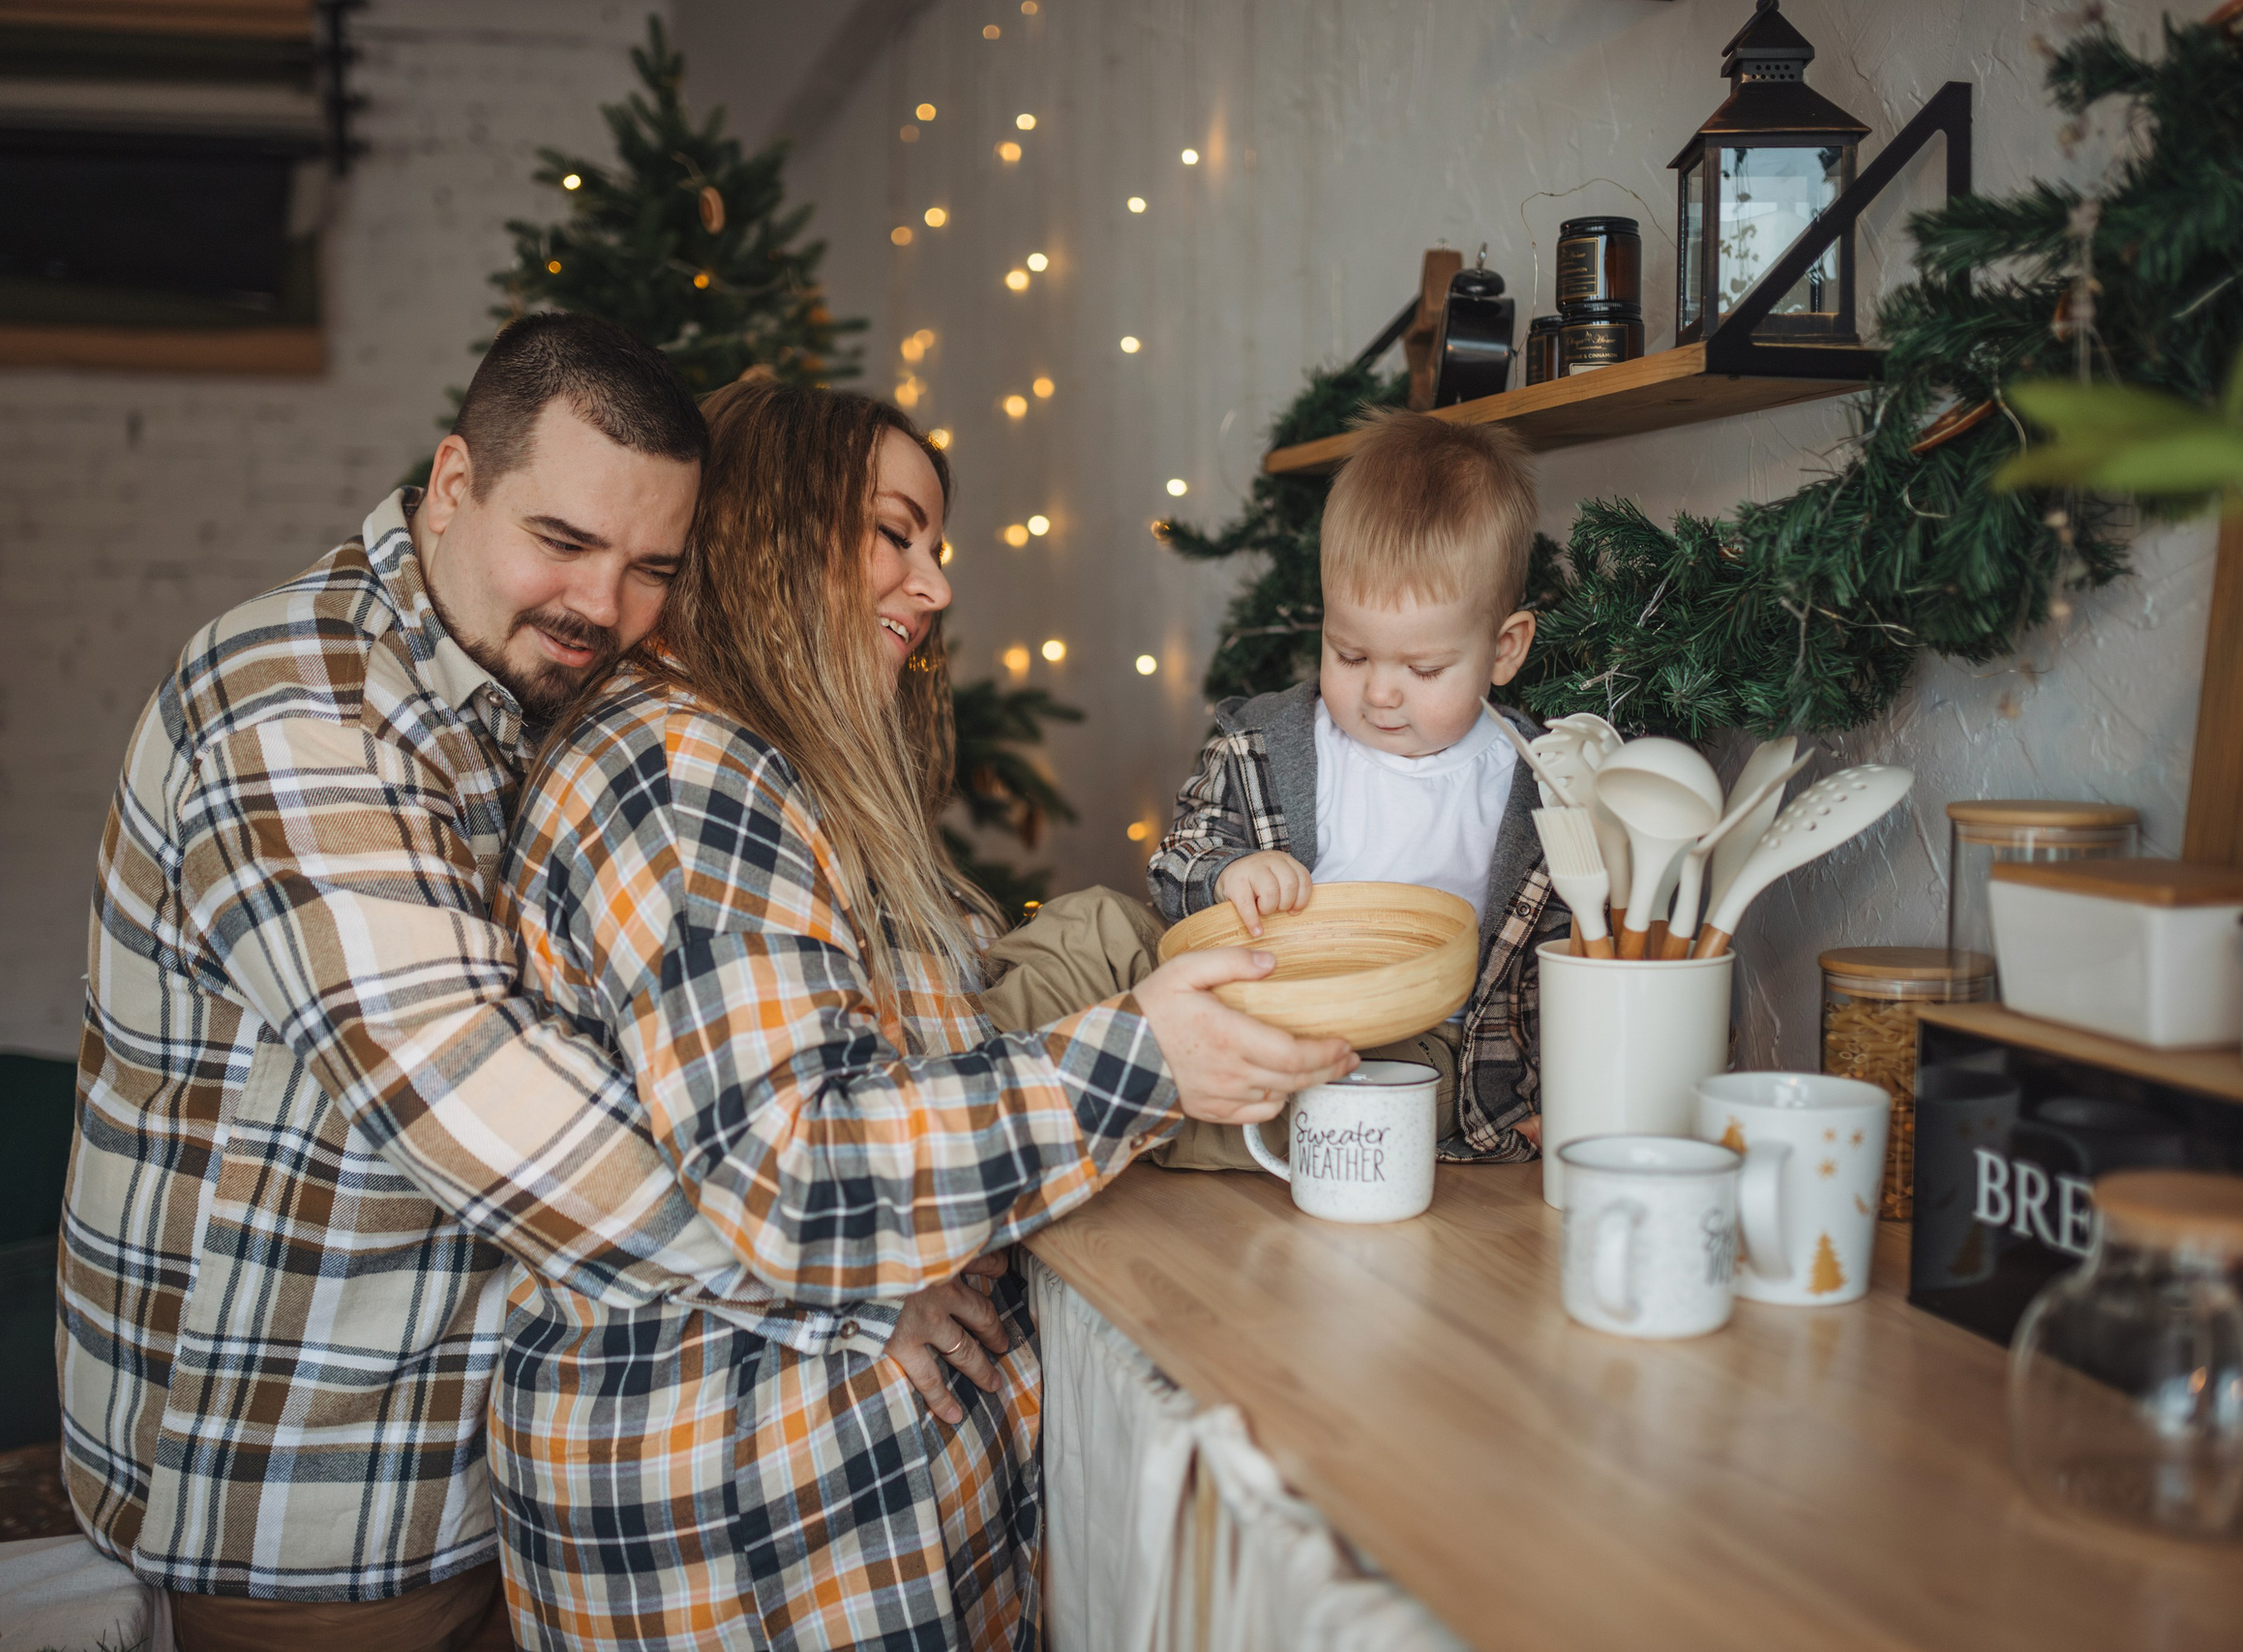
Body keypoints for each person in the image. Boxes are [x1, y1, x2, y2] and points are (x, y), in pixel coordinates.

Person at [60, 315, 1002, 1651]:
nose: (601, 606)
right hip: (301, 1494)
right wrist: (842, 1265)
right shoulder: (299, 705)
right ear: (453, 483)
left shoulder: (536, 681)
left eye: (650, 567)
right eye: (562, 540)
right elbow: (467, 1086)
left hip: (480, 1459)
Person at [490, 377, 1356, 1650]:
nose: (935, 585)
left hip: (844, 1500)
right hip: (756, 1523)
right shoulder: (690, 772)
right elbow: (800, 1167)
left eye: (935, 546)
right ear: (774, 523)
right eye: (894, 534)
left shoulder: (771, 763)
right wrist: (1143, 1056)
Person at [1147, 408, 1556, 1167]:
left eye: (1423, 669)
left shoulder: (1539, 789)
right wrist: (1228, 872)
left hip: (1404, 1042)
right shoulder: (1266, 745)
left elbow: (1567, 963)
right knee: (1091, 927)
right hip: (1249, 995)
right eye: (1350, 654)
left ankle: (1135, 1112)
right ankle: (992, 1072)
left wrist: (1542, 1094)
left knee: (1391, 1087)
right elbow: (1176, 857)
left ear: (1504, 649)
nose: (1380, 694)